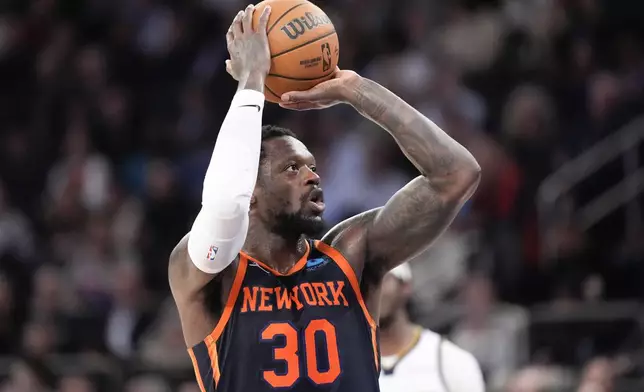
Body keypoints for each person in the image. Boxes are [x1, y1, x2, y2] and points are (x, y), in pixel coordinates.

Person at [168, 4, 480, 392]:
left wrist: (355, 90)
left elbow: (456, 174)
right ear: (251, 192)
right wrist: (251, 78)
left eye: (312, 166)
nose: (313, 176)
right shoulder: (209, 274)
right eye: (292, 169)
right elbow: (225, 203)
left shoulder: (351, 254)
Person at [378, 264, 485, 392]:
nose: (373, 291)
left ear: (405, 286)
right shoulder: (350, 361)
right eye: (364, 284)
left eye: (382, 279)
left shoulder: (451, 361)